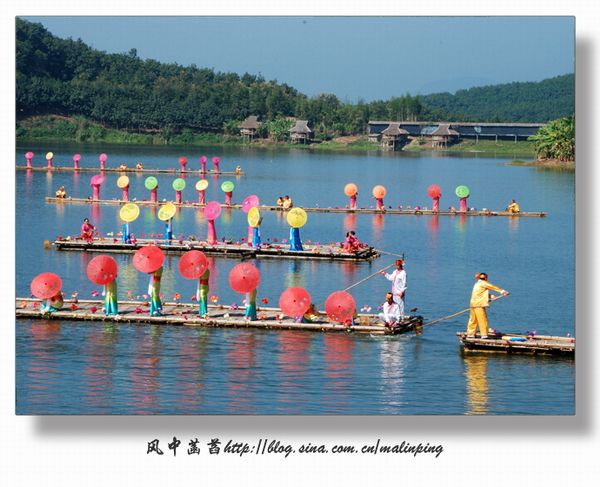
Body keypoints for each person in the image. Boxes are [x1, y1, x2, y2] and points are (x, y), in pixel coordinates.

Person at [466, 273, 509, 339]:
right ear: (486, 278)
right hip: (479, 305)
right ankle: (484, 335)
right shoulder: (484, 283)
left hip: (473, 304)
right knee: (482, 319)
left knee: (473, 320)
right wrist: (503, 292)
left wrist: (491, 296)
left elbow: (481, 292)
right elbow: (493, 287)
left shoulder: (477, 284)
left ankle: (470, 334)